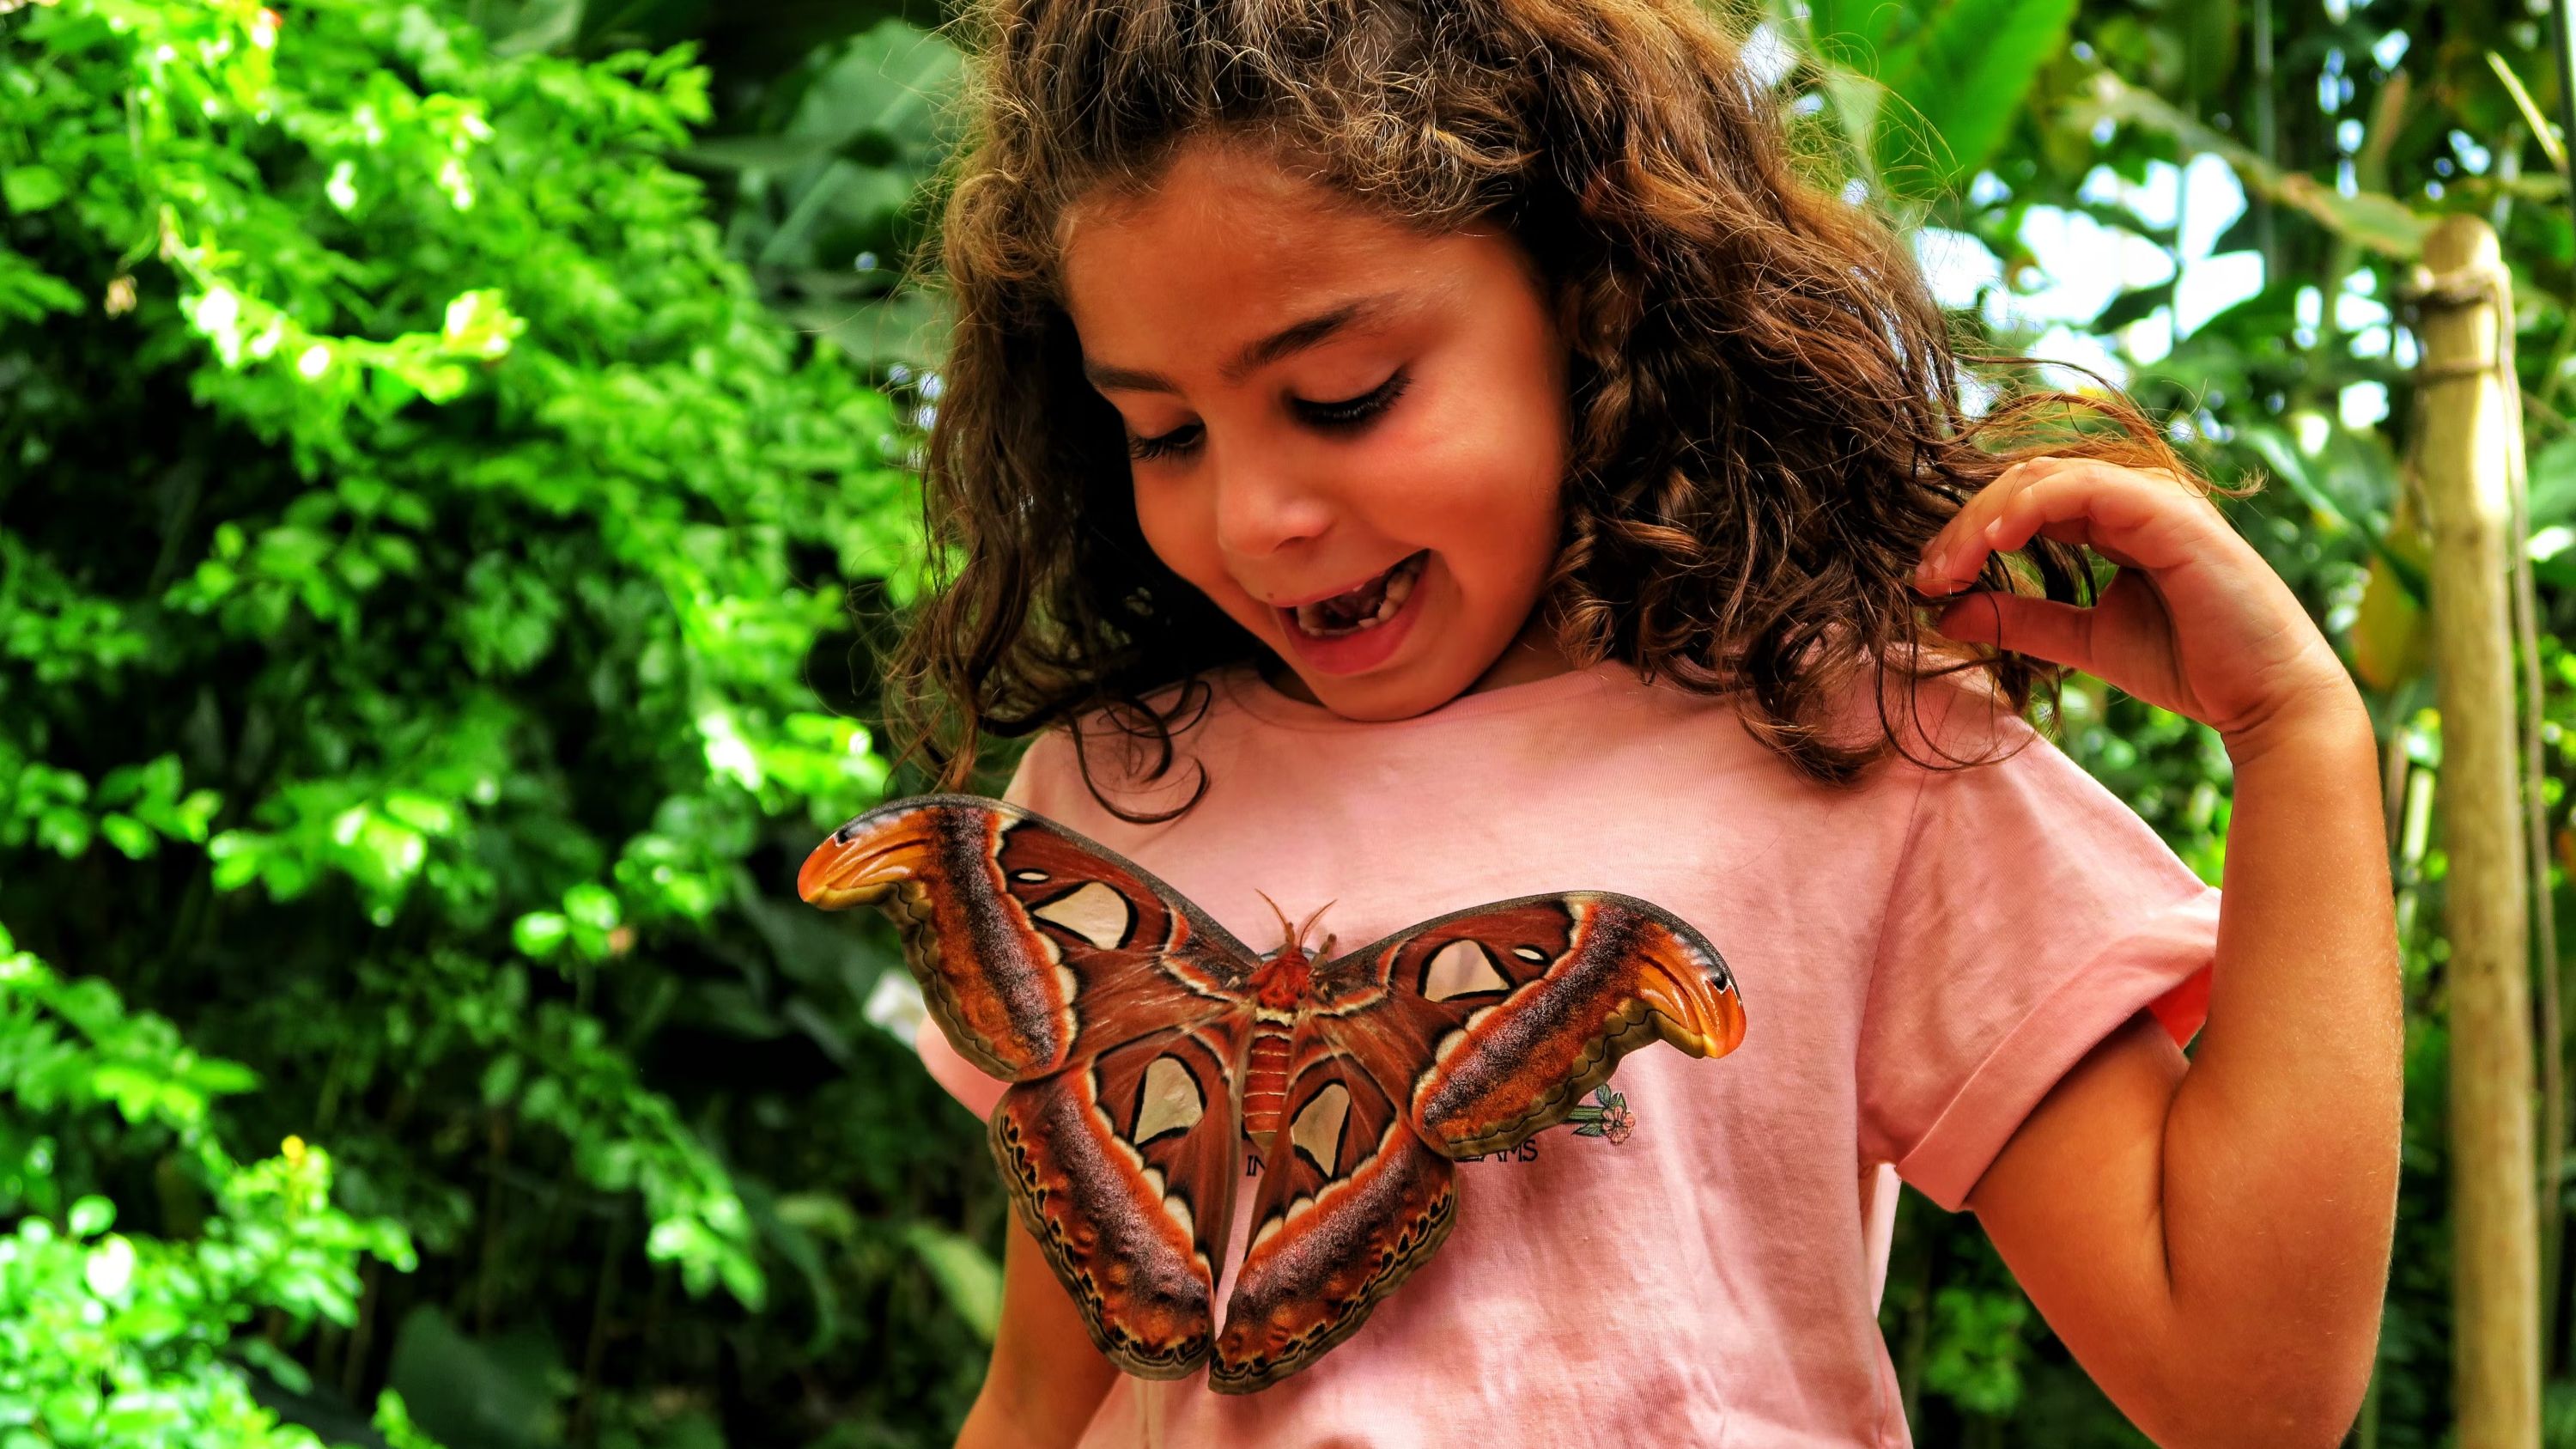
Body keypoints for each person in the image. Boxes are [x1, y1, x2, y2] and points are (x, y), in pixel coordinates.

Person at [881, 0, 2401, 1443]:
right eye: (1165, 434)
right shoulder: (1116, 791)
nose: (1256, 515)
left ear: (1589, 296)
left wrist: (2297, 739)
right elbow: (1038, 1406)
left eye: (1343, 395)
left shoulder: (1841, 747)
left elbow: (2246, 1389)